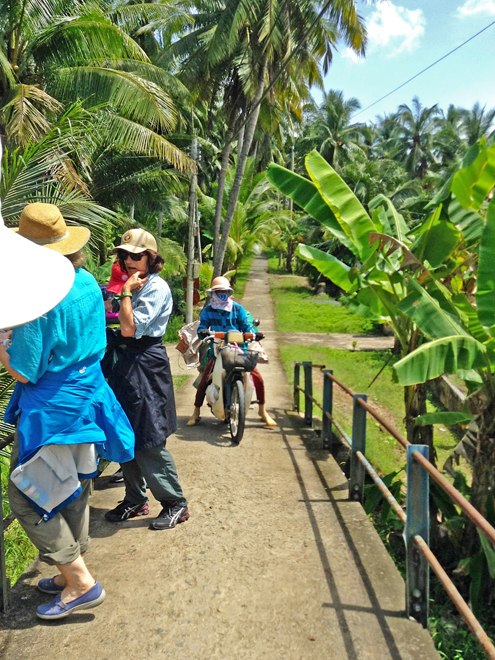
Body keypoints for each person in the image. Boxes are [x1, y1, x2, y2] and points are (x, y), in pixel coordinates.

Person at [0, 203, 135, 621]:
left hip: (53, 408)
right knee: (72, 483)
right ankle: (67, 571)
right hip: (87, 397)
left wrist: (3, 347)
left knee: (29, 493)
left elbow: (24, 371)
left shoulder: (40, 300)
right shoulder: (86, 280)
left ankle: (79, 581)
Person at [104, 229, 189, 530]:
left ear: (151, 258)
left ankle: (174, 502)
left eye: (136, 255)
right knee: (125, 434)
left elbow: (129, 328)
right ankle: (135, 498)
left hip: (145, 364)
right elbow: (112, 317)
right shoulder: (132, 284)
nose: (129, 260)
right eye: (124, 255)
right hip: (125, 364)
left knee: (149, 436)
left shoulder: (155, 287)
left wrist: (125, 292)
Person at [187, 276, 277, 427]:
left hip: (238, 351)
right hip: (217, 349)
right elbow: (203, 326)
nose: (221, 294)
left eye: (224, 291)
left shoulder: (237, 309)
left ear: (228, 293)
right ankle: (196, 412)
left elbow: (245, 326)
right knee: (204, 379)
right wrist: (203, 331)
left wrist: (252, 334)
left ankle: (262, 411)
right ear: (213, 293)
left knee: (258, 379)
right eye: (218, 291)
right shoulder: (208, 311)